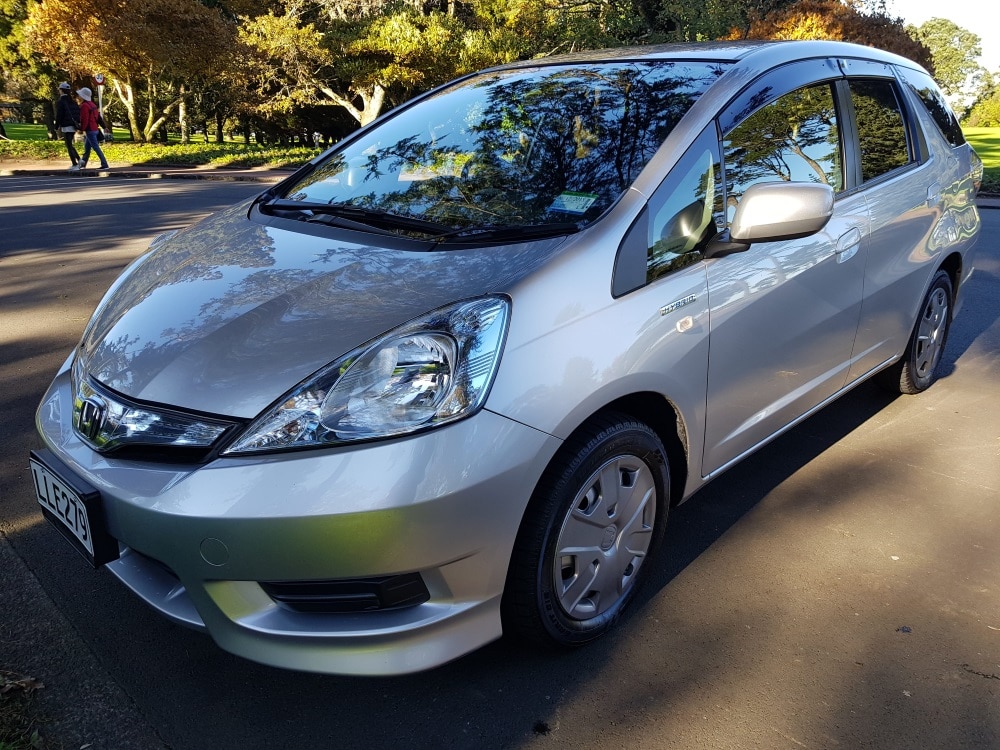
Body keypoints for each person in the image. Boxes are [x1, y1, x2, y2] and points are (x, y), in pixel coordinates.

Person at [70, 87, 109, 171]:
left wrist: (81, 129)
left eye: (80, 95)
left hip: (89, 130)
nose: (78, 97)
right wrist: (104, 127)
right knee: (87, 148)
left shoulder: (84, 106)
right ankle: (83, 164)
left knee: (95, 147)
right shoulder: (92, 105)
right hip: (95, 128)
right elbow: (98, 118)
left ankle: (104, 164)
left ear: (83, 96)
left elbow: (84, 119)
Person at [54, 82, 81, 168]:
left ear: (61, 90)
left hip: (66, 125)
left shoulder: (61, 102)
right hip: (73, 125)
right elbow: (77, 113)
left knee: (69, 145)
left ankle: (75, 163)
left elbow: (59, 115)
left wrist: (56, 126)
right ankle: (79, 160)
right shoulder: (73, 102)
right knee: (70, 144)